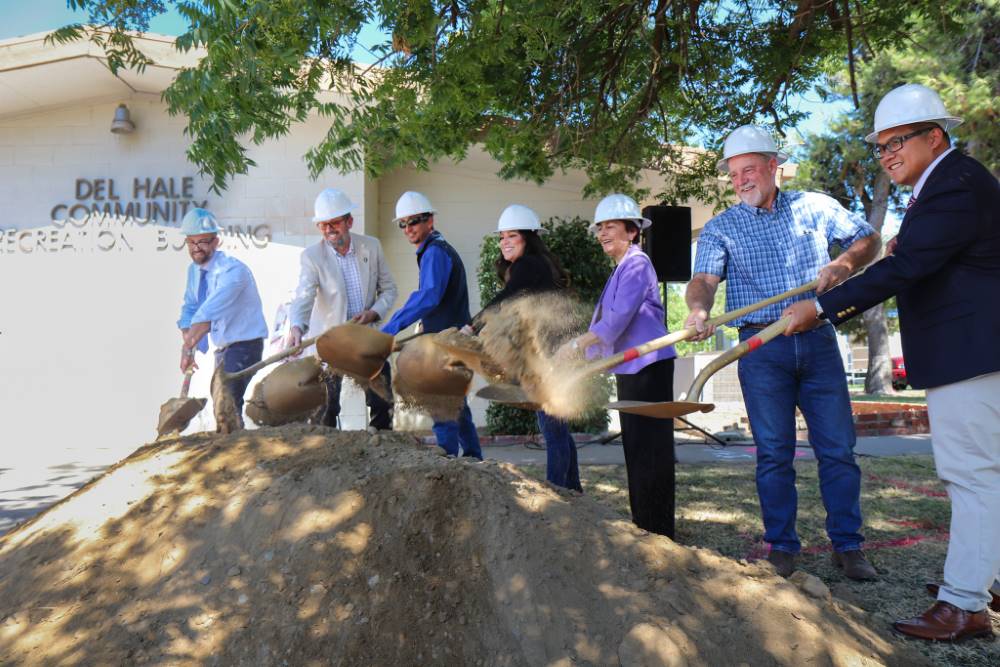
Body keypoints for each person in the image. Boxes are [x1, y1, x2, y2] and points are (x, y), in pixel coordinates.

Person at [783, 83, 1000, 641]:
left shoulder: (953, 184)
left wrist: (823, 305)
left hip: (971, 356)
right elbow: (931, 255)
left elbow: (905, 270)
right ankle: (985, 576)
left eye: (897, 142)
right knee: (988, 475)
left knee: (972, 477)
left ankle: (965, 604)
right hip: (975, 353)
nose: (887, 156)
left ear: (935, 136)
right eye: (880, 148)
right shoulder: (952, 185)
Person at [685, 125, 882, 580]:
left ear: (774, 167)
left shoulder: (814, 206)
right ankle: (781, 546)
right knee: (773, 453)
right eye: (734, 174)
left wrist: (843, 263)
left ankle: (849, 547)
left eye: (749, 170)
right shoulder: (721, 228)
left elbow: (868, 237)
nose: (740, 181)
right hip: (761, 348)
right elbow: (704, 281)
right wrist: (698, 310)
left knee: (838, 450)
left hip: (817, 341)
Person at [557, 194, 676, 536]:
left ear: (633, 231)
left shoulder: (637, 264)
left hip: (649, 367)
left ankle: (659, 531)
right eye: (600, 228)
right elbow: (608, 322)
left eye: (610, 226)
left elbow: (617, 320)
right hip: (629, 368)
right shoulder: (623, 268)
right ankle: (644, 527)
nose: (602, 234)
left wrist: (579, 343)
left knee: (651, 450)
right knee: (635, 449)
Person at [477, 204, 582, 491]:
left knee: (553, 429)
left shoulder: (528, 265)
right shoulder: (537, 267)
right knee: (558, 428)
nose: (505, 242)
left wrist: (471, 325)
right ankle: (573, 491)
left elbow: (507, 297)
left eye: (513, 236)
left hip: (551, 357)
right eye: (502, 237)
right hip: (556, 353)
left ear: (529, 238)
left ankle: (558, 491)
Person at [381, 191, 482, 459]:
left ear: (430, 221)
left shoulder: (435, 252)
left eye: (413, 221)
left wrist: (390, 328)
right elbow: (435, 297)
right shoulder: (436, 249)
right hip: (451, 339)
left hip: (447, 343)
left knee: (443, 403)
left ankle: (447, 460)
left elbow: (428, 295)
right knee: (456, 404)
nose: (407, 229)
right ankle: (473, 458)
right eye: (403, 223)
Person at [286, 188, 398, 430]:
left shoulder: (372, 247)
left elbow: (389, 289)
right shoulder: (312, 257)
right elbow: (304, 295)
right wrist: (296, 327)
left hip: (364, 336)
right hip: (331, 341)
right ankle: (326, 449)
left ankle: (383, 441)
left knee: (382, 396)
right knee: (326, 405)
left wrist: (374, 312)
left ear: (349, 221)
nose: (329, 230)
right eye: (323, 225)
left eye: (334, 223)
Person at [177, 208, 268, 429]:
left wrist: (187, 347)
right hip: (224, 348)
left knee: (224, 400)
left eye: (204, 242)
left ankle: (236, 453)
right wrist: (188, 346)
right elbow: (190, 309)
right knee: (223, 405)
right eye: (191, 243)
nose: (197, 249)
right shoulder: (194, 271)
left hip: (245, 345)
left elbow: (207, 315)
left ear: (216, 241)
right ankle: (229, 448)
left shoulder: (233, 272)